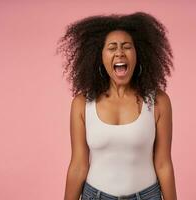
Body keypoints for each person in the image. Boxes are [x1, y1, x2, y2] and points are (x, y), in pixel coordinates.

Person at [56, 11, 177, 200]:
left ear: (139, 54)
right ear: (99, 56)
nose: (120, 52)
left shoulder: (159, 102)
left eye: (127, 47)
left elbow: (163, 164)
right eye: (112, 47)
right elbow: (78, 165)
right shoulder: (82, 104)